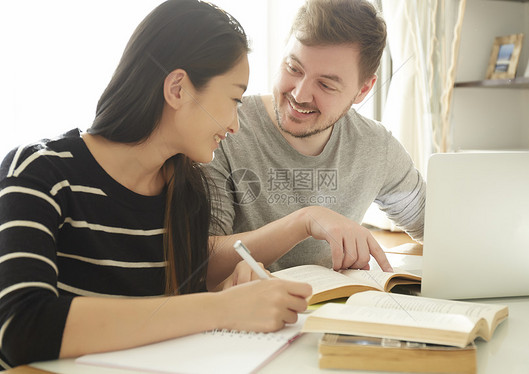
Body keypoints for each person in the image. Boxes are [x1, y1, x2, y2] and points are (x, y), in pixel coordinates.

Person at [0, 0, 311, 368]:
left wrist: (225, 292)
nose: (235, 126)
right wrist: (220, 307)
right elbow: (20, 330)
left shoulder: (188, 192)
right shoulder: (39, 171)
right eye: (233, 99)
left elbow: (176, 314)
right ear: (178, 88)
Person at [204, 0, 425, 282]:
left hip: (336, 312)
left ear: (363, 89)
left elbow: (435, 226)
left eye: (326, 85)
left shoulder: (375, 146)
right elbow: (201, 263)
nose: (300, 94)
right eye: (294, 68)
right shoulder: (223, 129)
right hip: (245, 317)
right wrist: (304, 221)